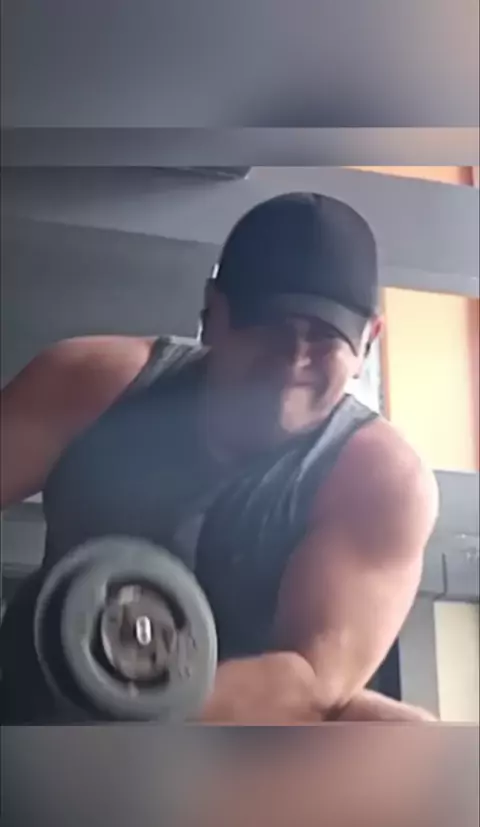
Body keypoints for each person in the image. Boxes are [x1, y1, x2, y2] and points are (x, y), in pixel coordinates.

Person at [0, 192, 439, 724]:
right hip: (30, 687)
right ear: (213, 312)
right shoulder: (94, 382)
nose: (295, 359)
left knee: (402, 732)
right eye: (271, 327)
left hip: (216, 739)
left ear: (369, 341)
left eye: (326, 337)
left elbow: (310, 679)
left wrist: (129, 716)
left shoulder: (380, 481)